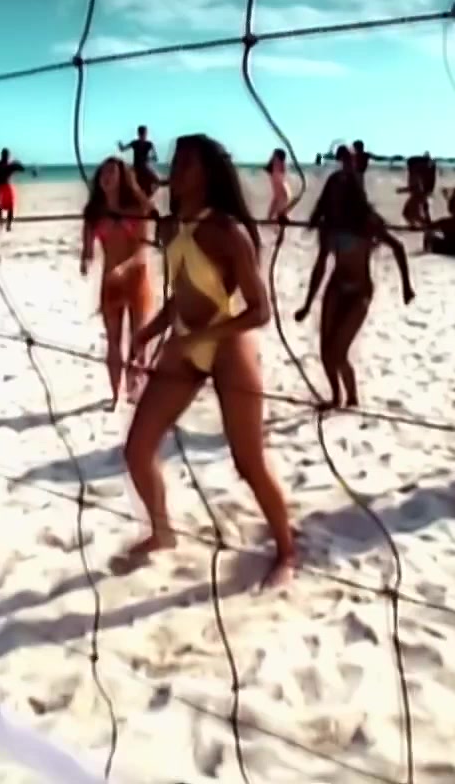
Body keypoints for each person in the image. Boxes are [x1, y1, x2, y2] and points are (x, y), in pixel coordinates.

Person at [117, 134, 297, 590]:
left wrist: (202, 336)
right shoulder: (173, 225)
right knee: (137, 448)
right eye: (175, 161)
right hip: (185, 343)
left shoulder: (226, 230)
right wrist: (147, 332)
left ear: (208, 173)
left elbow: (260, 310)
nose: (176, 170)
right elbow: (180, 295)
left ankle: (287, 551)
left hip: (227, 343)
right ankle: (161, 532)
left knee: (248, 461)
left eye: (187, 163)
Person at [295, 171, 415, 409]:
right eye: (332, 194)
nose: (335, 200)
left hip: (359, 291)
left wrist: (406, 286)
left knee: (338, 352)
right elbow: (321, 265)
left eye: (340, 194)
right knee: (325, 351)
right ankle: (335, 397)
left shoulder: (367, 222)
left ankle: (352, 398)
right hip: (336, 287)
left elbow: (397, 247)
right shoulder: (328, 226)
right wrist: (307, 304)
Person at [81, 157, 156, 407]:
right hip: (111, 280)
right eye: (103, 173)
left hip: (136, 278)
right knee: (113, 342)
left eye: (112, 173)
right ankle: (115, 396)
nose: (107, 177)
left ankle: (135, 391)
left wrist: (123, 268)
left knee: (138, 340)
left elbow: (142, 249)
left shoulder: (137, 209)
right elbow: (88, 250)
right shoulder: (94, 213)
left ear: (123, 177)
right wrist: (85, 260)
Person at [0, 148, 28, 231]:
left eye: (5, 155)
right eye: (5, 155)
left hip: (1, 187)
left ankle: (3, 224)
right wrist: (17, 162)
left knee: (3, 207)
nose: (5, 156)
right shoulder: (8, 165)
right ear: (7, 156)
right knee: (6, 207)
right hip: (3, 187)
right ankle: (6, 224)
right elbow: (22, 169)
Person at [119, 125, 161, 196]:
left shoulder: (135, 143)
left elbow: (122, 149)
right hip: (144, 168)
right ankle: (147, 196)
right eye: (145, 133)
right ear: (146, 133)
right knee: (157, 181)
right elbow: (155, 158)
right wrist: (148, 158)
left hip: (136, 167)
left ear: (138, 133)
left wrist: (120, 144)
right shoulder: (149, 144)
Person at [265, 149, 293, 224]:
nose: (273, 156)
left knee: (277, 217)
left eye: (275, 155)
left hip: (283, 194)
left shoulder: (280, 166)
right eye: (273, 155)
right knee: (271, 218)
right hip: (279, 195)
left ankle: (282, 219)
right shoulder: (275, 166)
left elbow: (281, 182)